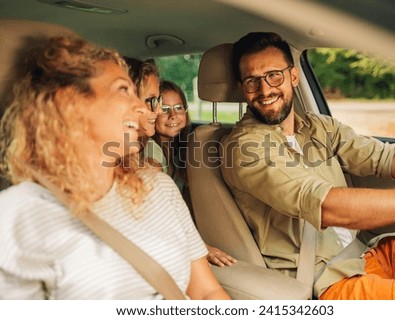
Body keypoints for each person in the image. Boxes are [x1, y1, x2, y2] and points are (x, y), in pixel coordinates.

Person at [220, 31, 395, 299]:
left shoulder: (319, 127)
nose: (265, 89)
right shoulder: (244, 149)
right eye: (252, 81)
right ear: (241, 88)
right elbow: (327, 206)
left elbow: (387, 158)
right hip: (327, 282)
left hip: (367, 254)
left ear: (294, 76)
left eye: (274, 75)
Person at [0, 35, 230, 300]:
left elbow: (207, 292)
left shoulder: (159, 188)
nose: (142, 109)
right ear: (69, 103)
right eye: (123, 90)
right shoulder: (16, 218)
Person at [152, 80, 237, 267]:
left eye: (178, 107)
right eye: (164, 108)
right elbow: (156, 210)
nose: (173, 115)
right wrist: (199, 246)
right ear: (152, 113)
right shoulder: (151, 152)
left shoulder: (183, 146)